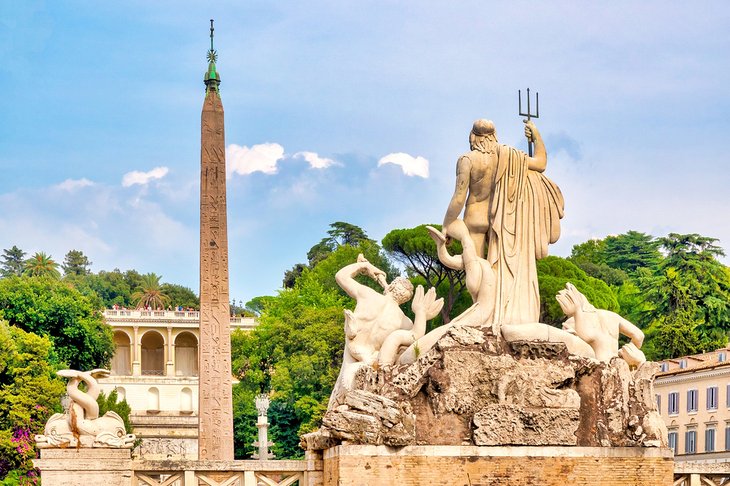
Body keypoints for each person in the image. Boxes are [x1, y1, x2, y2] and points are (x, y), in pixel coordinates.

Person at [442, 118, 564, 326]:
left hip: (475, 222)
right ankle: (494, 316)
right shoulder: (509, 156)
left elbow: (459, 197)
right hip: (501, 222)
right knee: (496, 275)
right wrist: (536, 135)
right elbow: (541, 163)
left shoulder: (467, 159)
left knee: (477, 277)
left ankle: (482, 320)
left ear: (472, 136)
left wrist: (446, 224)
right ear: (494, 136)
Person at [328, 254, 441, 407]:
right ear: (406, 299)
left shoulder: (367, 294)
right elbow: (416, 337)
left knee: (336, 403)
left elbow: (340, 276)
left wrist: (364, 267)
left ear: (391, 287)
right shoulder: (404, 321)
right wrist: (421, 314)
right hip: (370, 365)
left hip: (353, 352)